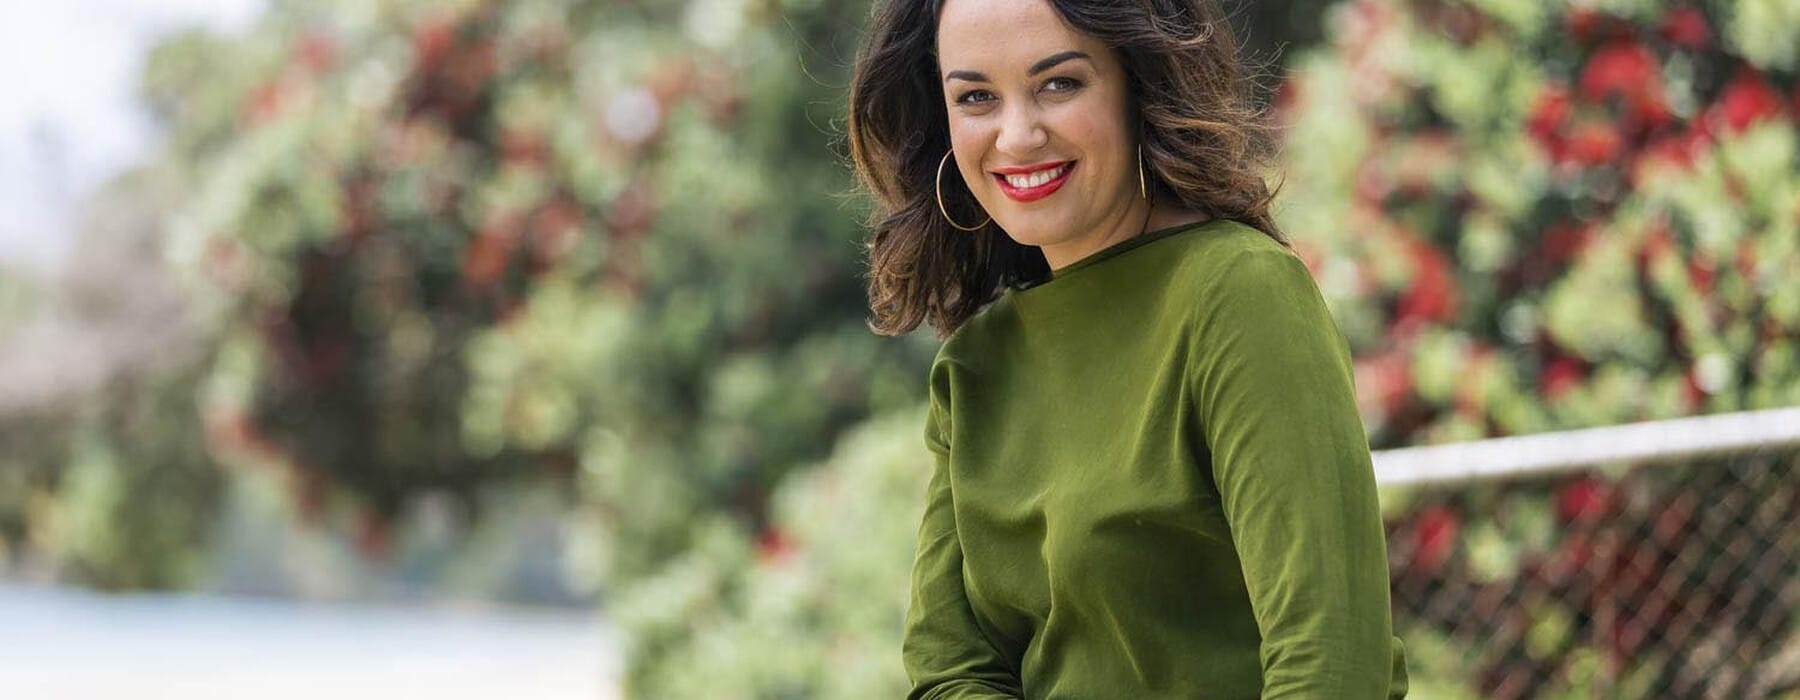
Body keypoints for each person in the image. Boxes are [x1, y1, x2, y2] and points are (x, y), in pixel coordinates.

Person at [845, 0, 1409, 697]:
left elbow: (1332, 664)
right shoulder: (977, 365)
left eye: (1059, 84)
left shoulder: (1240, 295)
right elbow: (950, 671)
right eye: (977, 97)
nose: (1017, 136)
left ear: (1137, 82)